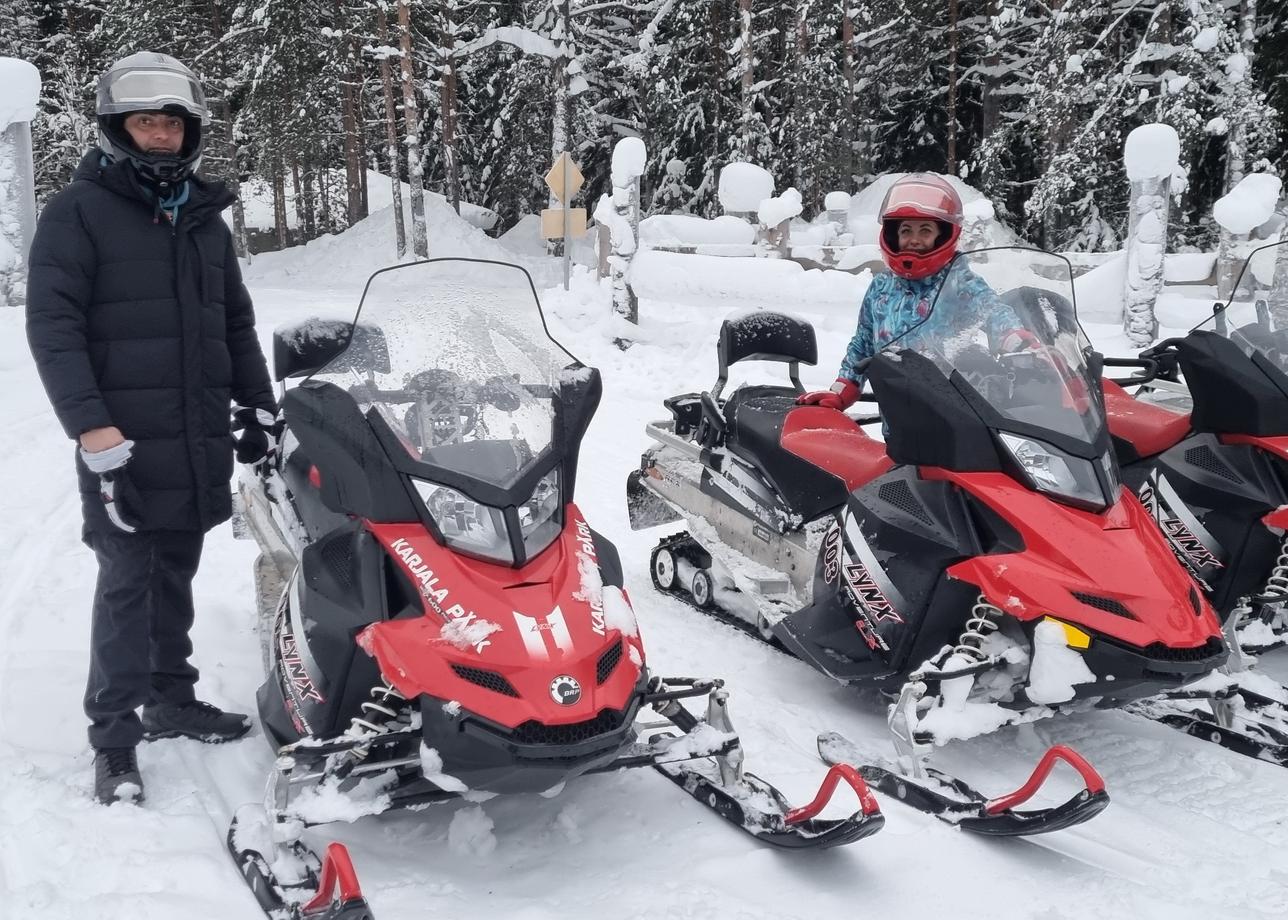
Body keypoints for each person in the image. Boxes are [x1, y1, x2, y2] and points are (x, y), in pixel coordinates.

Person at [25, 52, 278, 806]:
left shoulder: (201, 215)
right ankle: (113, 738)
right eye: (146, 121)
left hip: (195, 435)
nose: (161, 135)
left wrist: (257, 405)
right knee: (128, 583)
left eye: (172, 122)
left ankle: (171, 696)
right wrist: (91, 430)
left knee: (176, 572)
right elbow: (54, 328)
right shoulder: (79, 212)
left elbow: (232, 321)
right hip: (122, 444)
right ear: (117, 128)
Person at [797, 173, 1028, 410]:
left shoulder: (960, 282)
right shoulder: (881, 287)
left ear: (943, 235)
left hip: (952, 413)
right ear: (893, 235)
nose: (914, 239)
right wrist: (842, 388)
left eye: (925, 231)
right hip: (897, 413)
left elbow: (994, 313)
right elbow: (863, 342)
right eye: (906, 231)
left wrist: (1020, 343)